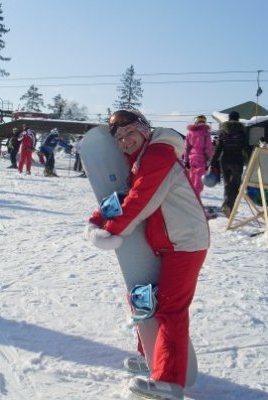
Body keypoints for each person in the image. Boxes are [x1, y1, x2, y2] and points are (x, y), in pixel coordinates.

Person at [83, 109, 209, 400]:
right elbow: (124, 196)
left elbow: (141, 200)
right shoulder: (141, 158)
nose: (125, 141)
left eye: (130, 133)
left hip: (186, 242)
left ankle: (169, 382)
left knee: (170, 309)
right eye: (119, 138)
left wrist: (112, 231)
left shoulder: (158, 154)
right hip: (165, 242)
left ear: (143, 129)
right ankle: (152, 355)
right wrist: (96, 221)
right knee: (144, 297)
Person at [209, 111, 250, 217]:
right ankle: (229, 205)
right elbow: (246, 148)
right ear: (238, 119)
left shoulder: (224, 131)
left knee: (227, 184)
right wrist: (250, 160)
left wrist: (213, 162)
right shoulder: (242, 132)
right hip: (237, 161)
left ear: (229, 118)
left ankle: (227, 205)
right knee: (235, 185)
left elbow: (218, 148)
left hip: (225, 160)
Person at [184, 115, 213, 195]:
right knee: (198, 180)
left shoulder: (190, 132)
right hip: (202, 159)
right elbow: (208, 148)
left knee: (191, 178)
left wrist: (186, 160)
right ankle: (196, 197)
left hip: (191, 158)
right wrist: (209, 160)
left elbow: (187, 147)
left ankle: (190, 196)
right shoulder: (206, 133)